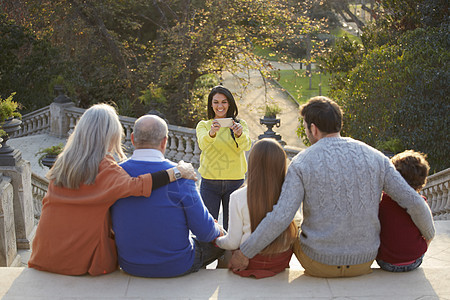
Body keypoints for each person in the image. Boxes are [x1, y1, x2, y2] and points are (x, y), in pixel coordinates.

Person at [229, 96, 435, 278]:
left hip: (318, 264)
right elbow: (414, 202)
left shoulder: (301, 162)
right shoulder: (376, 157)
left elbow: (281, 217)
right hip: (363, 263)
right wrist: (429, 236)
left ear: (313, 128)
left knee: (295, 226)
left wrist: (244, 252)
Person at [28, 104, 196, 276]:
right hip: (76, 260)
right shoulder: (104, 168)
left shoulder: (63, 163)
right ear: (110, 135)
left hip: (45, 254)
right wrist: (177, 171)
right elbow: (137, 185)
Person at [111, 114, 224, 278]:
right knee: (223, 239)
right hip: (176, 264)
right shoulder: (182, 176)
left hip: (129, 263)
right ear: (165, 141)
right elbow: (205, 232)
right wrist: (218, 230)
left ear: (133, 139)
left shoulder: (115, 174)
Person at [215, 138, 298, 279]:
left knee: (223, 252)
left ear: (252, 163)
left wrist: (216, 238)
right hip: (281, 260)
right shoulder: (289, 196)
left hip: (250, 262)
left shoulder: (237, 197)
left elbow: (233, 242)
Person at [196, 85, 252, 230]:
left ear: (230, 103)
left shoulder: (240, 125)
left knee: (233, 227)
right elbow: (202, 144)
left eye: (224, 102)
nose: (220, 106)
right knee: (207, 226)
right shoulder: (203, 125)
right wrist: (212, 133)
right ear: (211, 104)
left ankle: (229, 253)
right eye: (216, 102)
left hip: (235, 182)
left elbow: (246, 146)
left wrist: (239, 134)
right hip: (209, 182)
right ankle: (208, 252)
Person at [377, 150, 431, 272]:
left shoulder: (381, 200)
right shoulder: (420, 203)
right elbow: (428, 234)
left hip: (385, 262)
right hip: (414, 261)